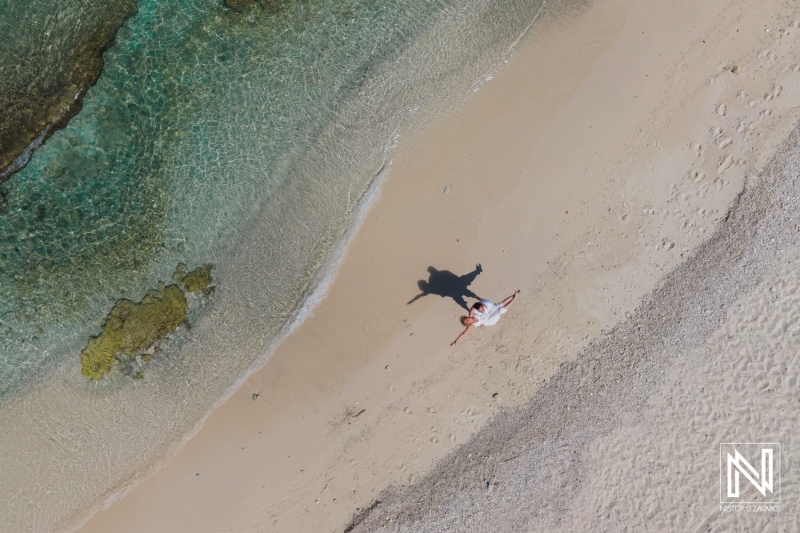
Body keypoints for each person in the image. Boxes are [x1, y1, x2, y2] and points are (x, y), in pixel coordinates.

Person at [450, 290, 520, 346]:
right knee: (501, 310)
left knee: (499, 304)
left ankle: (513, 295)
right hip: (489, 321)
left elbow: (474, 306)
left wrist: (482, 304)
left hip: (487, 315)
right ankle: (514, 298)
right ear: (468, 323)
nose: (468, 318)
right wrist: (456, 340)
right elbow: (464, 333)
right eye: (467, 320)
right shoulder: (472, 325)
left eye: (466, 318)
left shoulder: (471, 314)